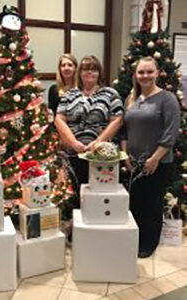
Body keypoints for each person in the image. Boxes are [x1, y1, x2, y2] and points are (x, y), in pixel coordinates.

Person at [121, 56, 180, 258]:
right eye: (141, 72)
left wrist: (155, 158)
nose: (145, 76)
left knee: (152, 205)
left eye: (149, 72)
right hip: (133, 164)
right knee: (135, 203)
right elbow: (125, 131)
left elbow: (171, 133)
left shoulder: (167, 99)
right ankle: (134, 239)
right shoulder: (132, 100)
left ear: (157, 73)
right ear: (135, 75)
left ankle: (148, 243)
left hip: (158, 163)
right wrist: (124, 154)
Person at [55, 55, 124, 206]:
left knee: (99, 197)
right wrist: (73, 142)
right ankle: (76, 227)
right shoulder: (69, 94)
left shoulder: (110, 94)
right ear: (79, 73)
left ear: (99, 73)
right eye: (86, 69)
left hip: (101, 156)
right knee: (74, 195)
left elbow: (118, 119)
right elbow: (59, 119)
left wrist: (98, 143)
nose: (89, 73)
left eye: (93, 69)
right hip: (73, 154)